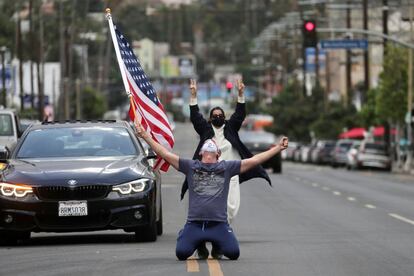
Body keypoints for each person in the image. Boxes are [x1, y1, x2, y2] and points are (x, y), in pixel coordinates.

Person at [134, 119, 288, 260]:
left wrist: (278, 148)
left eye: (212, 150)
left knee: (234, 254)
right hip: (195, 224)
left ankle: (218, 245)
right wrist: (145, 136)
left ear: (218, 154)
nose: (208, 152)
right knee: (181, 253)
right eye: (206, 150)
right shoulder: (191, 166)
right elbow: (165, 153)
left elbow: (254, 160)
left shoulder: (226, 168)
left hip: (218, 224)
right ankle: (195, 242)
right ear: (201, 154)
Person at [184, 78, 272, 258]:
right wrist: (193, 96)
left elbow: (240, 114)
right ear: (210, 119)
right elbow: (195, 117)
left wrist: (240, 95)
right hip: (207, 177)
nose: (218, 117)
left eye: (220, 115)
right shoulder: (205, 130)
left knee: (231, 209)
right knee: (204, 210)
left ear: (224, 117)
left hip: (229, 175)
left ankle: (218, 239)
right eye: (214, 115)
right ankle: (201, 242)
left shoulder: (231, 128)